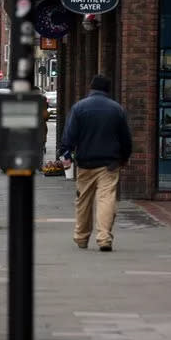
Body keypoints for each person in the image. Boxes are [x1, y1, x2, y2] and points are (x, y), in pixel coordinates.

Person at [60, 75, 132, 252]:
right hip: (109, 163)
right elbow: (125, 138)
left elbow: (69, 135)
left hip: (85, 163)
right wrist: (124, 157)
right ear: (108, 89)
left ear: (91, 88)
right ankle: (104, 238)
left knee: (83, 201)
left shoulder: (79, 107)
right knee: (106, 199)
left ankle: (81, 237)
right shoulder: (117, 109)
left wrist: (66, 154)